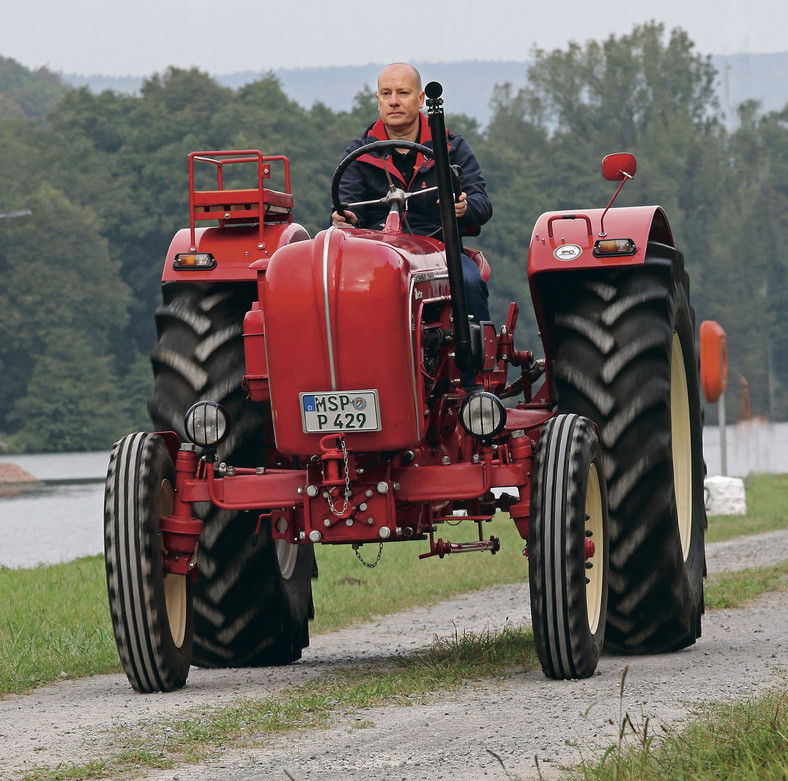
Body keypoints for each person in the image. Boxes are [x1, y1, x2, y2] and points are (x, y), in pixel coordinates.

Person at [331, 62, 493, 332]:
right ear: (378, 100)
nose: (393, 102)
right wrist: (346, 218)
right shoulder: (360, 153)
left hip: (440, 251)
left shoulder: (451, 147)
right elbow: (348, 206)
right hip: (376, 257)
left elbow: (481, 202)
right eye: (386, 94)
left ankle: (473, 366)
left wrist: (464, 207)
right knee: (338, 290)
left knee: (469, 282)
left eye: (402, 93)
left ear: (420, 99)